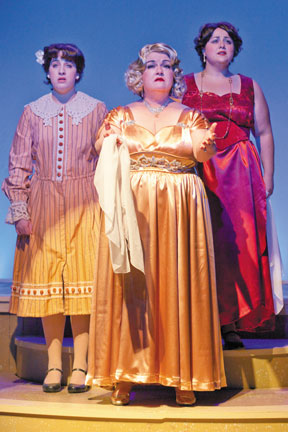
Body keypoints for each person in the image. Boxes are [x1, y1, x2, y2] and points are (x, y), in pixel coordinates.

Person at [87, 42, 226, 406]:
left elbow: (200, 150)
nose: (160, 70)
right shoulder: (121, 113)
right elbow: (101, 146)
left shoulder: (190, 115)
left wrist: (207, 147)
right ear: (140, 75)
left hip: (180, 204)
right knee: (132, 285)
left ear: (175, 75)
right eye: (152, 65)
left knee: (180, 282)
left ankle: (184, 374)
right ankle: (124, 374)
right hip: (131, 204)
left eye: (167, 65)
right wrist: (105, 140)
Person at [2, 43, 107, 392]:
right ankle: (53, 366)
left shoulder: (95, 109)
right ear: (47, 72)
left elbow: (107, 160)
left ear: (78, 71)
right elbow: (18, 163)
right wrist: (19, 211)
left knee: (81, 283)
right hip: (44, 202)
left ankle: (81, 365)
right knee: (49, 285)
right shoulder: (32, 112)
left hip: (85, 201)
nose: (61, 70)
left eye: (69, 64)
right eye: (55, 64)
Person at [182, 22, 276, 349]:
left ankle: (231, 322)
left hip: (241, 171)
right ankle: (201, 319)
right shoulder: (185, 84)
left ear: (234, 49)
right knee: (202, 242)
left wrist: (269, 175)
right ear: (203, 49)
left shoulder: (249, 86)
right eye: (214, 40)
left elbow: (264, 132)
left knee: (239, 244)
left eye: (228, 41)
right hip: (200, 170)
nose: (222, 45)